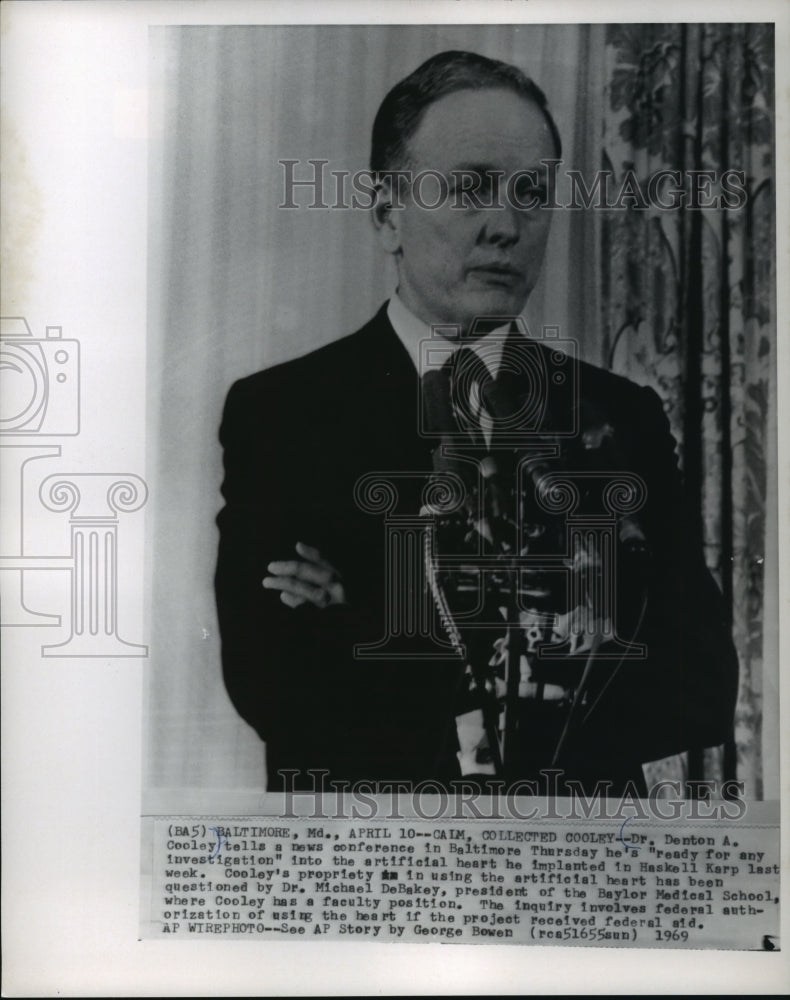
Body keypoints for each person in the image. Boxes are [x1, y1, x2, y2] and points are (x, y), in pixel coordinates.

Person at [215, 51, 738, 795]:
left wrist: (361, 619)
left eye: (532, 193)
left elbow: (703, 685)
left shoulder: (621, 418)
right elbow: (274, 688)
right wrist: (565, 655)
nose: (506, 226)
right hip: (374, 852)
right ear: (387, 213)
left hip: (574, 854)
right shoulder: (283, 413)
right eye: (470, 188)